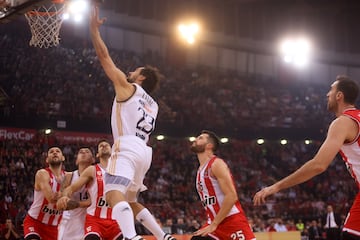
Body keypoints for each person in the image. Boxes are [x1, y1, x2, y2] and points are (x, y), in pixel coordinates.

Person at [89, 5, 175, 240]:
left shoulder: (130, 89)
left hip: (126, 146)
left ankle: (131, 237)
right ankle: (163, 237)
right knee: (131, 200)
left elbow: (105, 58)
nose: (130, 72)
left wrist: (94, 31)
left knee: (112, 194)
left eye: (135, 71)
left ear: (142, 78)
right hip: (144, 152)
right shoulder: (154, 105)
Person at [253, 75, 360, 240]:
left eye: (331, 90)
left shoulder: (342, 123)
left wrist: (275, 187)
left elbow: (319, 165)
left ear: (339, 95)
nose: (327, 94)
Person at [190, 130, 256, 240]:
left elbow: (232, 196)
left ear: (209, 146)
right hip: (214, 223)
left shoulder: (216, 164)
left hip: (231, 221)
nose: (196, 139)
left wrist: (214, 224)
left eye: (200, 138)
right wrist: (213, 223)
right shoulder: (200, 170)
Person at [57, 140, 122, 240]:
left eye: (106, 145)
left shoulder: (120, 171)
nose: (104, 146)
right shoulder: (88, 171)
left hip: (111, 219)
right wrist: (64, 197)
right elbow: (68, 190)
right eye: (101, 146)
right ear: (97, 155)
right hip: (84, 219)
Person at [23, 146, 65, 240]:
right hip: (35, 221)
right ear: (47, 160)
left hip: (53, 227)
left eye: (57, 151)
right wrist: (66, 196)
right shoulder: (42, 173)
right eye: (51, 152)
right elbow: (51, 199)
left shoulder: (68, 176)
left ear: (63, 157)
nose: (54, 153)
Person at [57, 147, 94, 240]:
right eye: (81, 152)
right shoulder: (69, 176)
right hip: (70, 221)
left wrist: (77, 204)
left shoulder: (98, 177)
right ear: (76, 160)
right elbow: (61, 198)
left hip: (90, 221)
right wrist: (64, 198)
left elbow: (93, 201)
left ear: (93, 159)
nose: (84, 153)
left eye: (87, 152)